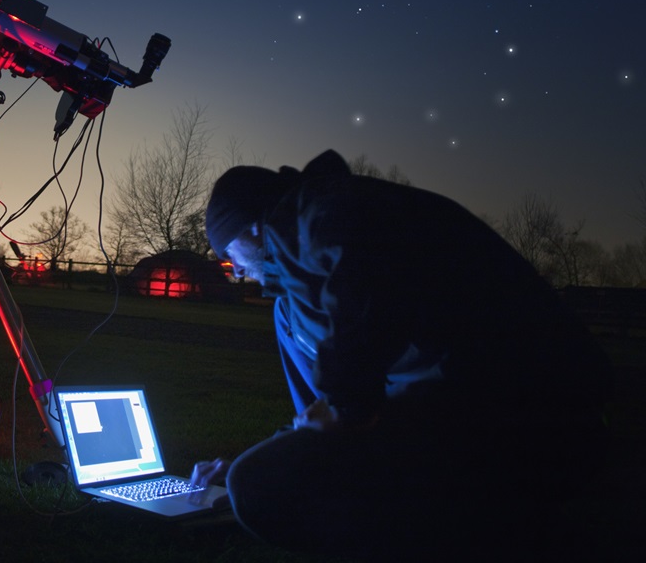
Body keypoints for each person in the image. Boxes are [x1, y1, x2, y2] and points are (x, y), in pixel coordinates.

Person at [192, 149, 611, 561]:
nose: (238, 273)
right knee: (259, 468)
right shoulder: (295, 292)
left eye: (230, 259)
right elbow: (326, 415)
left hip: (526, 417)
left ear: (251, 230)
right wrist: (293, 448)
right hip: (457, 414)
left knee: (257, 486)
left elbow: (364, 279)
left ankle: (514, 533)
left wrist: (345, 407)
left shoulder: (330, 212)